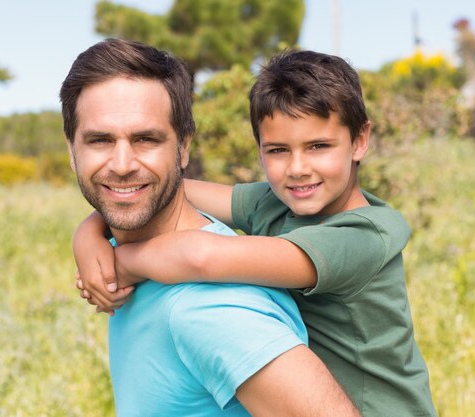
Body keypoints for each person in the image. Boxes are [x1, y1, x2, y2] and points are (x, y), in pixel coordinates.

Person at [74, 48, 437, 416]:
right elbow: (152, 189)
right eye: (278, 150)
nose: (297, 168)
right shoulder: (277, 202)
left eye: (319, 146)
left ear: (360, 140)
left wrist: (121, 263)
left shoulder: (362, 237)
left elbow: (203, 257)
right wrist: (89, 233)